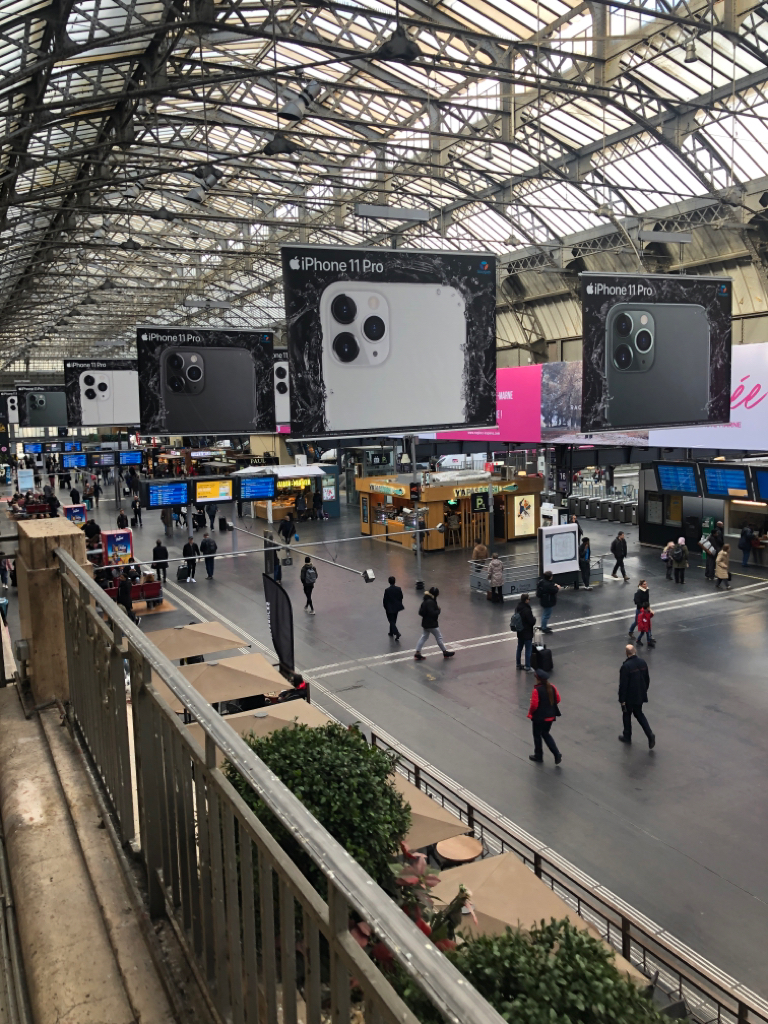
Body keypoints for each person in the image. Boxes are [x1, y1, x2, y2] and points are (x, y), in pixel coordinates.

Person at [618, 644, 655, 748]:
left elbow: (623, 685)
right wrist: (644, 690)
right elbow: (647, 679)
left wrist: (622, 700)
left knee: (626, 714)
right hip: (640, 694)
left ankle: (627, 736)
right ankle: (650, 734)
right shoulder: (642, 662)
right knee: (639, 713)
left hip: (630, 696)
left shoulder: (626, 667)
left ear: (626, 653)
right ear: (635, 651)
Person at [527, 668, 562, 765]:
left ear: (537, 679)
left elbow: (534, 705)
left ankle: (538, 755)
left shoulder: (536, 690)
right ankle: (556, 753)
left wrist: (531, 713)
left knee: (537, 735)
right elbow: (558, 699)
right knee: (545, 733)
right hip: (550, 717)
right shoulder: (552, 687)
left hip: (539, 717)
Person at [414, 587, 454, 660]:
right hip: (432, 624)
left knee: (424, 637)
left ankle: (417, 652)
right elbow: (432, 613)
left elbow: (420, 612)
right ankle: (445, 652)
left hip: (425, 623)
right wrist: (438, 610)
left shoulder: (425, 600)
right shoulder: (431, 602)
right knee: (439, 637)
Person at [512, 592, 536, 673]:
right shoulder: (527, 610)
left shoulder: (518, 608)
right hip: (527, 632)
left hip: (520, 631)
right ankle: (528, 666)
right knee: (528, 649)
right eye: (529, 599)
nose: (529, 600)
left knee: (519, 648)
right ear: (526, 600)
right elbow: (531, 621)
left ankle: (518, 664)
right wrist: (534, 619)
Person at [383, 575, 404, 639]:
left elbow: (385, 600)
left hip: (389, 608)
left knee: (391, 621)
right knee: (394, 620)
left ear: (389, 582)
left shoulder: (387, 590)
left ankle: (396, 632)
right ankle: (391, 632)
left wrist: (385, 607)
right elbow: (401, 597)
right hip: (396, 607)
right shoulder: (398, 589)